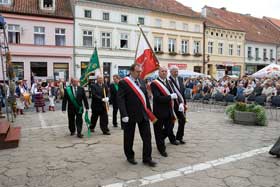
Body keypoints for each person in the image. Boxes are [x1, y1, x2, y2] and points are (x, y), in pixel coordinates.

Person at [117, 63, 157, 167]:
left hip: (143, 114)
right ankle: (130, 156)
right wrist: (123, 114)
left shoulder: (142, 81)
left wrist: (149, 111)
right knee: (129, 137)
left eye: (140, 71)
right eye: (137, 71)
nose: (139, 73)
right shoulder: (124, 82)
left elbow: (145, 98)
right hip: (130, 115)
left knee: (147, 137)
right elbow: (120, 99)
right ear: (131, 71)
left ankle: (147, 158)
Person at [150, 67, 179, 157]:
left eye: (165, 71)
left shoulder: (169, 82)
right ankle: (161, 149)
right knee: (158, 130)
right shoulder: (154, 84)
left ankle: (160, 139)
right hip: (159, 111)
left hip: (169, 110)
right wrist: (170, 97)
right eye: (162, 71)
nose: (164, 73)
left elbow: (174, 94)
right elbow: (158, 98)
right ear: (158, 73)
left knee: (169, 128)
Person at [169, 65, 187, 144]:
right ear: (171, 72)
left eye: (177, 71)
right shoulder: (168, 80)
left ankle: (179, 137)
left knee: (182, 120)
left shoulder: (180, 79)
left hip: (181, 104)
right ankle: (171, 138)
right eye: (174, 71)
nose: (176, 73)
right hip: (173, 104)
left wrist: (184, 103)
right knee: (171, 122)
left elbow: (182, 92)